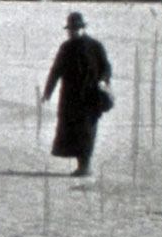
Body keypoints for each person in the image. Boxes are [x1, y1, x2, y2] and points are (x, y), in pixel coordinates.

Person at [42, 12, 112, 176]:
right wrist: (48, 92)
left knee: (87, 131)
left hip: (90, 97)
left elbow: (106, 68)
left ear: (82, 28)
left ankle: (85, 166)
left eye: (75, 29)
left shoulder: (95, 46)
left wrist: (103, 81)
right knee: (73, 131)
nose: (72, 32)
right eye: (70, 29)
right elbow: (56, 71)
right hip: (70, 98)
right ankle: (82, 165)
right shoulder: (66, 47)